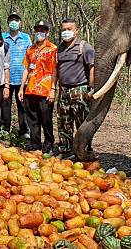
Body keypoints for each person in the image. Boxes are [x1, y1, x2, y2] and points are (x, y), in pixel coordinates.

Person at [55, 18, 95, 158]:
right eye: (64, 29)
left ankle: (84, 151)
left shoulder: (84, 47)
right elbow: (57, 69)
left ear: (76, 31)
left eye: (69, 29)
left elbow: (92, 68)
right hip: (64, 91)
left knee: (82, 123)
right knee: (63, 122)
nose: (66, 32)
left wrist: (91, 89)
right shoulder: (59, 48)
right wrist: (55, 88)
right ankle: (66, 150)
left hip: (80, 90)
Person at [18, 20, 57, 154]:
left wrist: (53, 89)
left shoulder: (53, 49)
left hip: (45, 91)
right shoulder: (30, 49)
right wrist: (21, 88)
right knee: (32, 120)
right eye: (37, 30)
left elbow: (54, 70)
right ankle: (35, 144)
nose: (39, 33)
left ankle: (49, 145)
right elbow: (26, 69)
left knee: (46, 120)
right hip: (30, 90)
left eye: (43, 30)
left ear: (47, 32)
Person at [1, 12, 31, 139]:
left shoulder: (26, 38)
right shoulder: (2, 37)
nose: (14, 22)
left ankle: (24, 130)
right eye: (11, 20)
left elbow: (30, 56)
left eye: (16, 19)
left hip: (21, 78)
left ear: (20, 22)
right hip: (6, 78)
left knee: (22, 105)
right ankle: (5, 130)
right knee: (5, 105)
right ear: (8, 22)